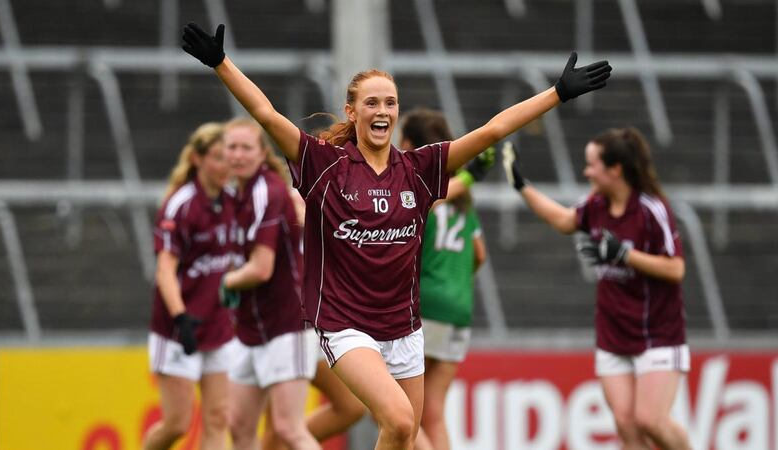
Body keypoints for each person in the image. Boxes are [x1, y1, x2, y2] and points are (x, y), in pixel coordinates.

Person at [182, 22, 611, 449]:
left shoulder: (419, 170)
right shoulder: (325, 165)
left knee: (404, 439)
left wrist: (557, 93)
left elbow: (491, 131)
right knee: (401, 421)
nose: (382, 111)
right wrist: (221, 63)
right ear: (352, 112)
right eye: (371, 103)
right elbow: (266, 114)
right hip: (345, 325)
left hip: (404, 329)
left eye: (390, 102)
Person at [503, 128, 691, 450]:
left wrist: (625, 255)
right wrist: (522, 186)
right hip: (613, 335)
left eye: (592, 164)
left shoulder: (650, 209)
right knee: (627, 428)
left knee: (650, 421)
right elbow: (564, 221)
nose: (586, 171)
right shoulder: (596, 205)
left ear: (615, 170)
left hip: (657, 335)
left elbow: (676, 268)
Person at [219, 118, 320, 450]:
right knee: (239, 426)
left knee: (289, 428)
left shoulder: (268, 191)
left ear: (262, 152)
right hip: (251, 328)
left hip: (286, 325)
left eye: (246, 147)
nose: (238, 154)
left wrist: (223, 282)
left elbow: (261, 269)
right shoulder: (235, 193)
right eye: (231, 147)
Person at [144, 122, 239, 450]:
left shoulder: (232, 201)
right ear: (198, 160)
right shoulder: (181, 204)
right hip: (178, 330)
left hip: (217, 327)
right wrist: (181, 317)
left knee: (217, 418)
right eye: (217, 157)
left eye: (228, 157)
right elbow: (165, 270)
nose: (225, 164)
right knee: (177, 424)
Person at [399, 108, 489, 450]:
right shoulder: (463, 197)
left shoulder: (419, 188)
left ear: (408, 143)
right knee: (433, 413)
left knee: (397, 407)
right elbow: (478, 254)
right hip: (460, 309)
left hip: (428, 307)